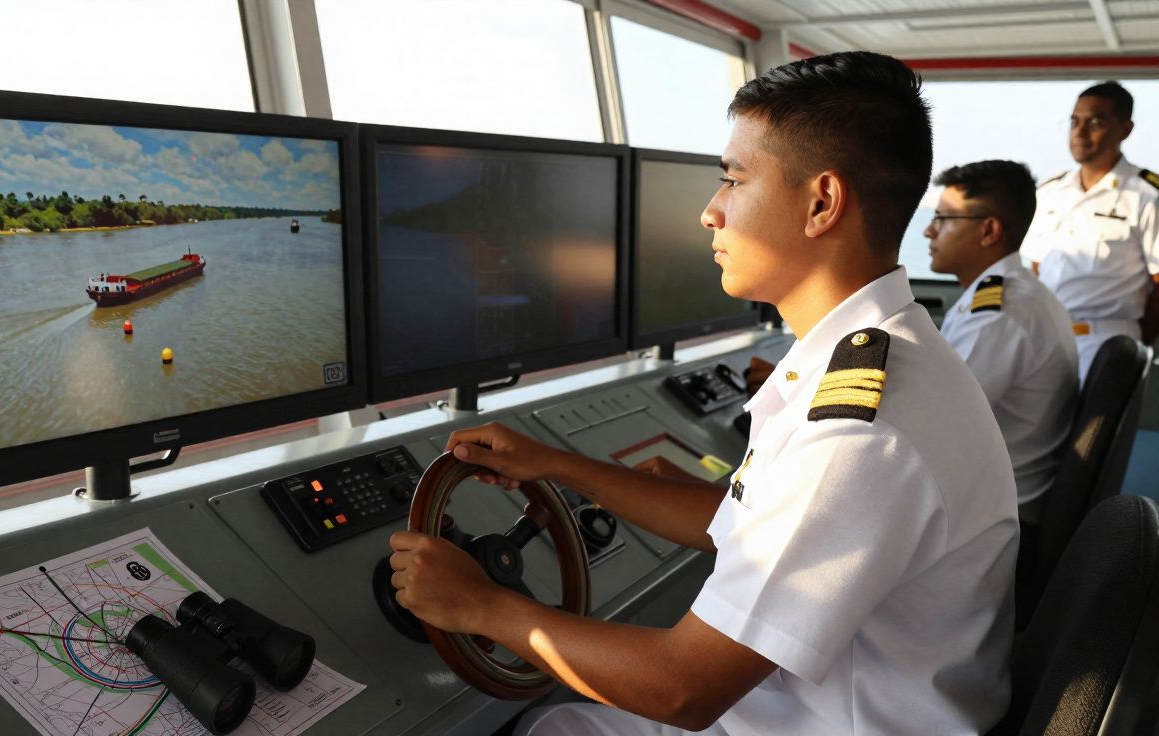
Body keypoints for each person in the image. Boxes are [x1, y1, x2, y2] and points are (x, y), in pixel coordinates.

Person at [389, 51, 1018, 735]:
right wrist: (561, 466)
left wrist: (480, 607)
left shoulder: (859, 434)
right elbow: (743, 520)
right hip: (806, 708)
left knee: (548, 728)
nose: (710, 213)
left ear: (822, 203)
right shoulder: (876, 355)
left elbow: (683, 690)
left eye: (733, 180)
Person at [925, 160, 1079, 525]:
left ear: (989, 231)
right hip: (999, 498)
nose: (929, 231)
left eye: (944, 218)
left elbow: (936, 422)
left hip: (995, 518)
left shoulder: (1000, 314)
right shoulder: (1010, 294)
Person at [1022, 81, 1159, 383]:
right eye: (1075, 122)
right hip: (1049, 335)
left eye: (1095, 122)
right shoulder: (1050, 191)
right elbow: (1036, 266)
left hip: (1109, 340)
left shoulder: (1147, 194)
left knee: (1097, 430)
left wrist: (1139, 344)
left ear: (1125, 129)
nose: (1080, 133)